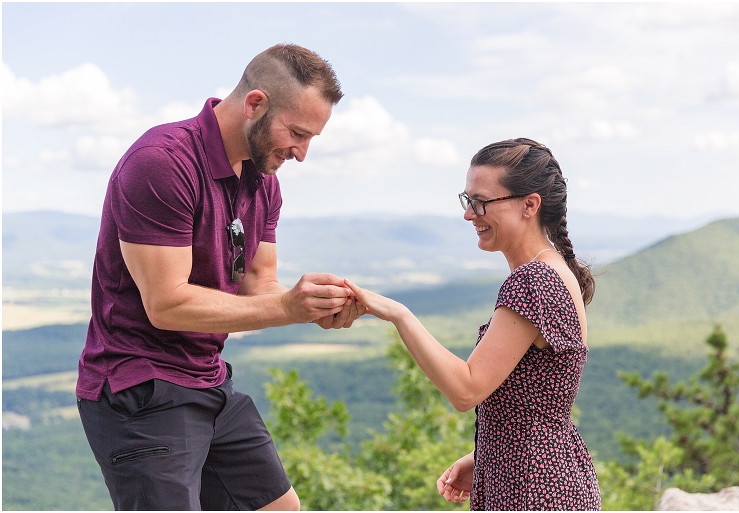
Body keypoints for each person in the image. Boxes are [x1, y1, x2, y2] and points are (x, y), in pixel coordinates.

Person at [76, 43, 365, 510]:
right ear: (255, 104)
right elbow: (166, 303)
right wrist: (288, 306)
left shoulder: (264, 183)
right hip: (140, 391)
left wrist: (311, 308)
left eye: (311, 138)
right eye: (296, 132)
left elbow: (259, 289)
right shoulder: (162, 162)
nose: (302, 153)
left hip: (208, 381)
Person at [346, 138, 601, 510]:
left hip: (532, 488)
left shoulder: (533, 281)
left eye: (481, 202)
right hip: (540, 475)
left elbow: (466, 390)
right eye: (467, 200)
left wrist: (398, 314)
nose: (470, 214)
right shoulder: (554, 272)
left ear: (530, 205)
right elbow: (538, 401)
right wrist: (486, 455)